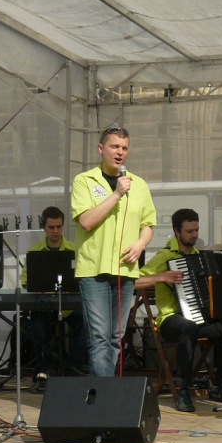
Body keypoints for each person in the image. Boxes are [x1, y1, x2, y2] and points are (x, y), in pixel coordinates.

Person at [136, 209, 222, 413]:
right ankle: (183, 390)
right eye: (189, 231)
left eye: (196, 230)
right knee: (189, 328)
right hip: (170, 319)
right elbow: (134, 281)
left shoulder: (201, 257)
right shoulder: (164, 256)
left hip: (199, 319)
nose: (194, 235)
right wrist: (161, 277)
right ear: (177, 231)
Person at [71, 126, 156, 377]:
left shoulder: (139, 184)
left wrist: (140, 245)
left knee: (116, 337)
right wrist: (117, 194)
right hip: (94, 270)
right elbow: (86, 221)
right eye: (114, 146)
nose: (120, 152)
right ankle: (105, 393)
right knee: (99, 337)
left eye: (124, 148)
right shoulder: (84, 181)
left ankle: (105, 389)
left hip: (125, 270)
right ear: (101, 149)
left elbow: (148, 225)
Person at [22, 206, 86, 391]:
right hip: (45, 305)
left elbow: (83, 278)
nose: (56, 231)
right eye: (51, 227)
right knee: (38, 327)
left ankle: (72, 369)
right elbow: (26, 281)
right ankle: (47, 368)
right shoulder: (34, 252)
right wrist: (35, 288)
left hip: (69, 306)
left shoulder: (75, 250)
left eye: (59, 226)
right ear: (44, 227)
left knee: (87, 324)